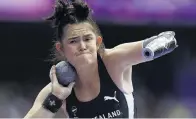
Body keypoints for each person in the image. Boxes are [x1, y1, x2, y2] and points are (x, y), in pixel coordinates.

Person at [24, 0, 178, 118]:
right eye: (73, 41)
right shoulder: (58, 86)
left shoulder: (114, 61)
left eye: (87, 39)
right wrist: (56, 98)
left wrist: (148, 50)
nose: (82, 46)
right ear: (61, 48)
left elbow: (168, 39)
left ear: (97, 42)